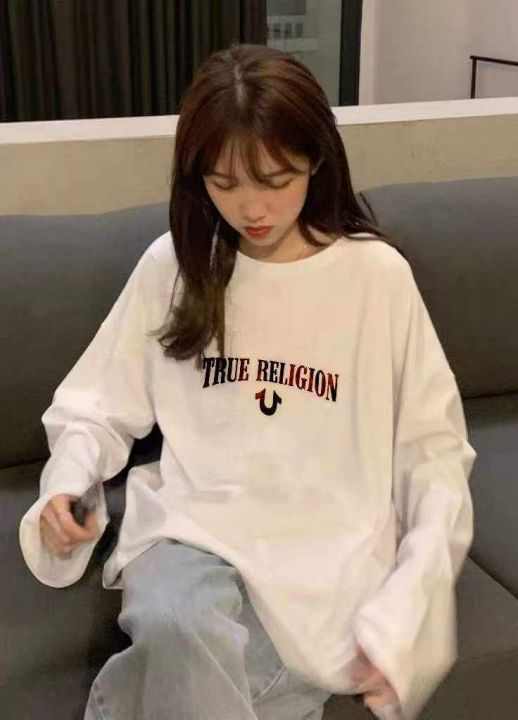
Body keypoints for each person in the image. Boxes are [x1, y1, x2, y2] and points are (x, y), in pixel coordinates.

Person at [18, 43, 477, 720]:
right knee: (178, 624)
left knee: (216, 673)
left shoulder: (375, 279)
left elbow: (432, 453)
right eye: (224, 183)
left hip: (324, 538)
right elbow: (94, 406)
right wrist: (66, 486)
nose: (251, 207)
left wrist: (414, 599)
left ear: (316, 161)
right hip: (191, 526)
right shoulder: (176, 266)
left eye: (276, 179)